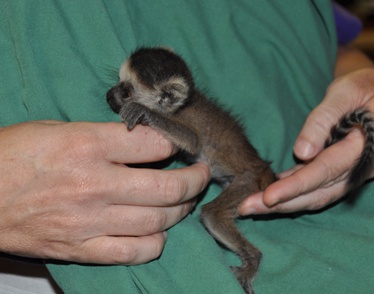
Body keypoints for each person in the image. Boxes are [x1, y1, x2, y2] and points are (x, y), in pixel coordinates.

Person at [0, 1, 373, 293]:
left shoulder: (174, 113)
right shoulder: (174, 104)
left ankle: (250, 259)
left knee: (212, 216)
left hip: (249, 178)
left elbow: (191, 141)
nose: (116, 96)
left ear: (167, 100)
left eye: (128, 92)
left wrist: (364, 82)